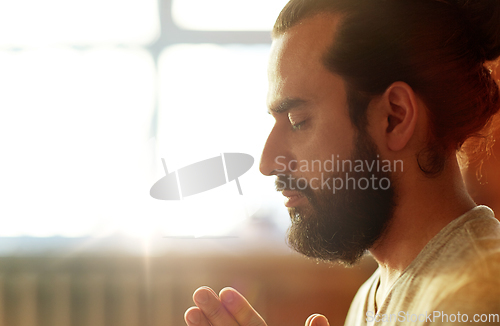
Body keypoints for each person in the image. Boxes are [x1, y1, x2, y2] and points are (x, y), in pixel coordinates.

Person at [184, 0, 500, 325]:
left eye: (297, 120)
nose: (267, 163)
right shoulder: (373, 295)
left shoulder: (479, 296)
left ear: (395, 117)